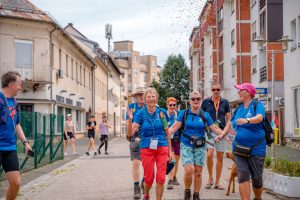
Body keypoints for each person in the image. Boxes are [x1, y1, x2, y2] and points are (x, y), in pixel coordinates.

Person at [169, 91, 224, 200]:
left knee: (198, 172)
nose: (195, 101)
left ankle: (196, 195)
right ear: (189, 101)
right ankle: (187, 191)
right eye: (193, 99)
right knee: (189, 169)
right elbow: (174, 127)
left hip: (200, 146)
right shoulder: (184, 114)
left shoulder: (205, 115)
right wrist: (163, 135)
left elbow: (214, 128)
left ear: (200, 101)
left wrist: (226, 135)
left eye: (198, 99)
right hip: (186, 144)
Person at [216, 83, 266, 200]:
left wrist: (247, 120)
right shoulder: (238, 109)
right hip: (238, 149)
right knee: (242, 177)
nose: (238, 92)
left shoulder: (257, 105)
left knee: (257, 180)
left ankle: (257, 197)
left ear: (248, 92)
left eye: (241, 90)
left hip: (256, 149)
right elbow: (230, 123)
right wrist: (222, 134)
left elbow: (259, 118)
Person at [129, 88, 172, 200]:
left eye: (153, 96)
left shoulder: (162, 113)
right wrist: (130, 122)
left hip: (162, 146)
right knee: (149, 178)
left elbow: (167, 133)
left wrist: (170, 151)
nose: (151, 98)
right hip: (146, 148)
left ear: (156, 98)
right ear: (145, 99)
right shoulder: (140, 114)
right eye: (149, 96)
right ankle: (147, 194)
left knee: (161, 177)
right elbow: (131, 132)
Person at [0, 71, 33, 200]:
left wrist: (25, 143)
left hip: (10, 148)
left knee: (16, 183)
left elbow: (17, 124)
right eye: (19, 84)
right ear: (12, 84)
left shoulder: (14, 102)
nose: (20, 87)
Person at [201, 82, 231, 190]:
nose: (216, 92)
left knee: (219, 157)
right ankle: (210, 178)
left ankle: (217, 182)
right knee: (209, 155)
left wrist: (226, 132)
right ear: (211, 90)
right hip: (209, 131)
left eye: (218, 89)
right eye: (214, 89)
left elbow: (229, 119)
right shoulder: (205, 102)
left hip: (221, 132)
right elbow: (201, 117)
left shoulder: (225, 102)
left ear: (220, 90)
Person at [126, 87, 145, 199]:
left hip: (148, 138)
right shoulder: (131, 108)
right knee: (136, 163)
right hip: (135, 138)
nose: (141, 96)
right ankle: (136, 187)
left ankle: (144, 181)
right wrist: (130, 120)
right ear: (136, 97)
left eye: (142, 94)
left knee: (148, 164)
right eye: (138, 95)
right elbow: (129, 130)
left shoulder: (150, 107)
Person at [165, 97, 180, 190]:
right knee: (172, 160)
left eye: (174, 105)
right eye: (170, 105)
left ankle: (174, 176)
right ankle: (170, 180)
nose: (172, 106)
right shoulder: (164, 115)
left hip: (177, 140)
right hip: (168, 140)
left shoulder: (178, 115)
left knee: (176, 161)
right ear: (167, 105)